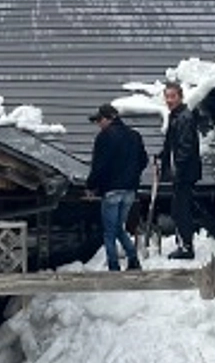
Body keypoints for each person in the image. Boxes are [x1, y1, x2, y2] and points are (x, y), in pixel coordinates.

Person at [86, 103, 147, 271]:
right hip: (130, 190)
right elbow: (144, 161)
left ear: (109, 118)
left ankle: (113, 266)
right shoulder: (134, 136)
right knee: (119, 228)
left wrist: (91, 185)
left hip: (111, 190)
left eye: (99, 120)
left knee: (109, 231)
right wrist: (133, 177)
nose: (98, 124)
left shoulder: (104, 137)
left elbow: (99, 166)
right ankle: (133, 259)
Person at [158, 81, 201, 259]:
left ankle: (186, 246)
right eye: (167, 96)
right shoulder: (176, 116)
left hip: (184, 172)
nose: (169, 100)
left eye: (172, 96)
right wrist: (162, 156)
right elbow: (170, 144)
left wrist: (178, 169)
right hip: (182, 170)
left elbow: (185, 147)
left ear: (180, 97)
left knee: (181, 209)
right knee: (181, 207)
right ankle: (184, 243)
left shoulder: (184, 117)